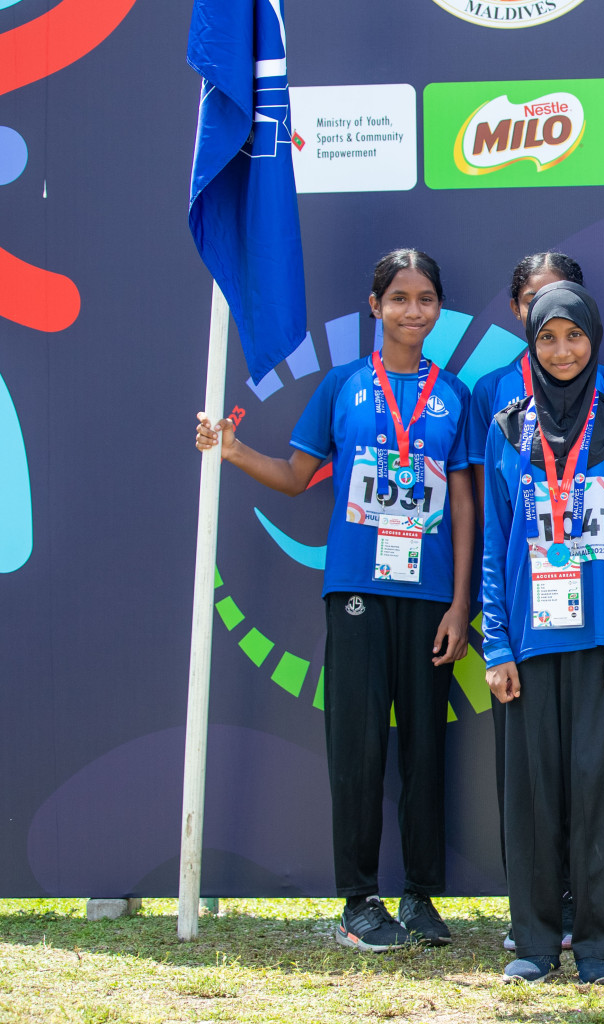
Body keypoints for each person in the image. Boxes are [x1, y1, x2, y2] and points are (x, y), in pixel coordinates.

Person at [194, 250, 472, 951]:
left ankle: (421, 898)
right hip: (355, 589)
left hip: (431, 593)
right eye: (400, 297)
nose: (414, 311)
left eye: (427, 298)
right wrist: (231, 451)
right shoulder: (344, 386)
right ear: (374, 306)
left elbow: (465, 505)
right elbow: (295, 476)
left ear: (438, 309)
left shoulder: (455, 394)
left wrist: (461, 602)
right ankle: (357, 901)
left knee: (425, 749)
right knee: (355, 746)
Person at [482, 280, 604, 985]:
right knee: (531, 801)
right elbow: (495, 543)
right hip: (527, 648)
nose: (561, 350)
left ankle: (596, 947)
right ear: (530, 339)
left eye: (574, 336)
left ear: (594, 339)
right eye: (547, 336)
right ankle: (533, 941)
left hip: (598, 647)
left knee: (594, 795)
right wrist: (495, 645)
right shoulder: (506, 426)